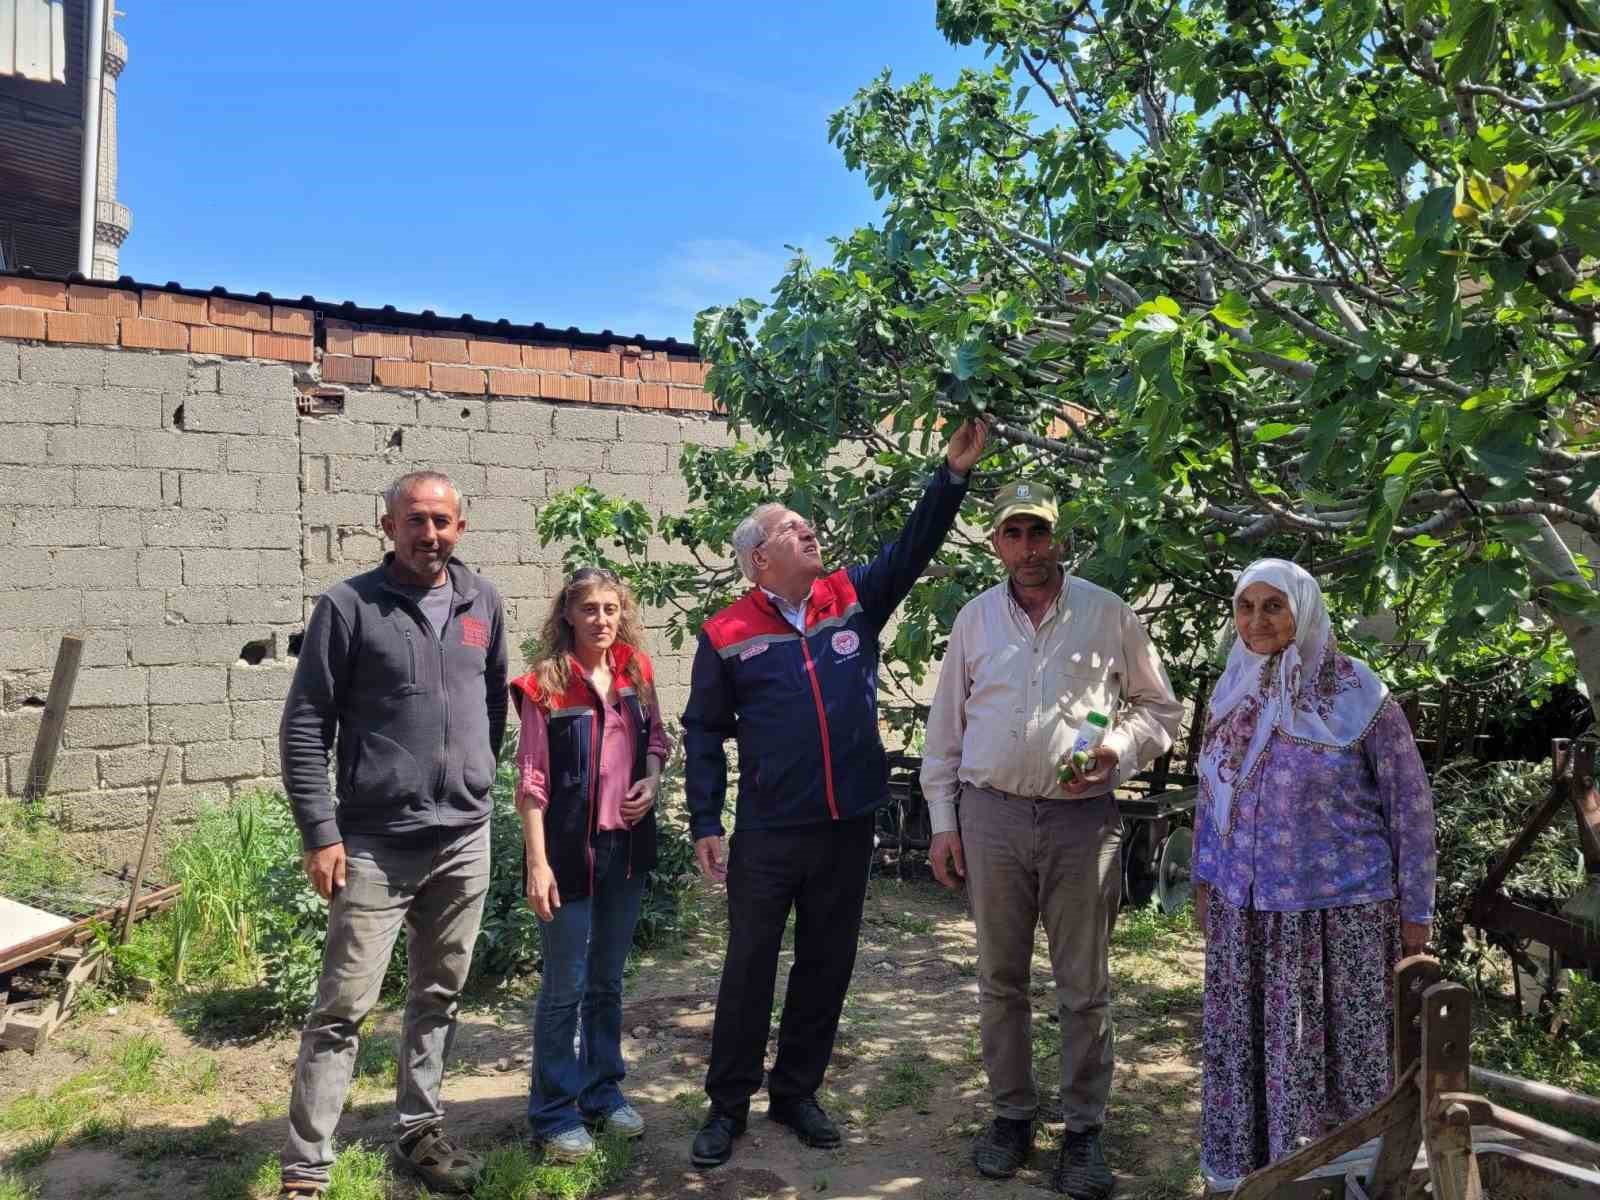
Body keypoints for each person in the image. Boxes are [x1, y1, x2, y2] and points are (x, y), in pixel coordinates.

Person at [684, 419, 989, 1168]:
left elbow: (912, 549)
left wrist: (949, 477)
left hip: (847, 825)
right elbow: (701, 732)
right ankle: (727, 1107)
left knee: (827, 962)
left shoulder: (850, 600)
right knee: (750, 967)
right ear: (760, 558)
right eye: (794, 529)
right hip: (768, 832)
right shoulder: (725, 631)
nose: (811, 532)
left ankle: (796, 1094)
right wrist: (703, 820)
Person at [921, 480, 1184, 1199]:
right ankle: (1011, 1118)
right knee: (999, 982)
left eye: (1040, 533)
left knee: (1083, 987)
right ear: (996, 542)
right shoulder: (975, 620)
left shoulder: (1107, 614)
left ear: (1059, 539)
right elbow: (945, 732)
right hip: (992, 817)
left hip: (1079, 824)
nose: (1028, 549)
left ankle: (1083, 1133)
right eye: (1014, 535)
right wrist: (944, 825)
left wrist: (1117, 752)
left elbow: (1161, 710)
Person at [276, 470, 508, 1198]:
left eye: (442, 521)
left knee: (438, 994)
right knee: (342, 1008)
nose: (430, 534)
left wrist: (474, 783)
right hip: (375, 842)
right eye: (415, 520)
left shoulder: (483, 603)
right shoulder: (349, 607)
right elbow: (306, 724)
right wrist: (321, 831)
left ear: (460, 529)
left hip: (464, 837)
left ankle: (419, 1129)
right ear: (388, 527)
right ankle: (307, 1165)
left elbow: (492, 703)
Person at [1191, 558, 1436, 1187]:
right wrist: (1205, 881)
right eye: (1246, 606)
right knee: (1251, 1047)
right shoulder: (1231, 688)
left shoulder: (1359, 692)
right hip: (1244, 914)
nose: (1257, 621)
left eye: (1275, 605)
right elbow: (1210, 798)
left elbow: (1410, 807)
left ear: (1304, 609)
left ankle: (1343, 1175)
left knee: (1337, 1054)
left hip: (1341, 916)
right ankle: (1257, 1175)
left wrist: (1417, 914)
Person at [509, 567, 670, 1161]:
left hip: (624, 853)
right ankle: (553, 1114)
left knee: (606, 981)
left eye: (610, 609)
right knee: (564, 988)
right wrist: (538, 864)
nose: (601, 620)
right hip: (568, 855)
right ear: (568, 616)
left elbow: (657, 741)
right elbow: (531, 780)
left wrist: (651, 783)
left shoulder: (637, 673)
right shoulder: (543, 686)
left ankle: (603, 1093)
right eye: (589, 610)